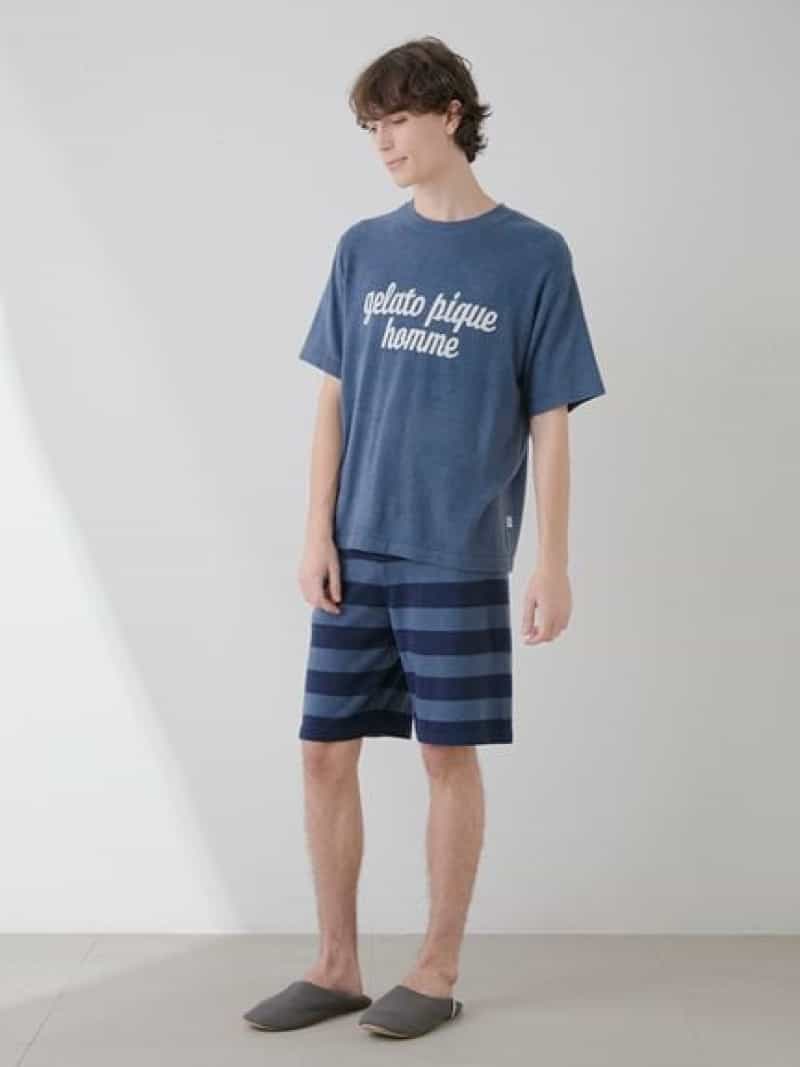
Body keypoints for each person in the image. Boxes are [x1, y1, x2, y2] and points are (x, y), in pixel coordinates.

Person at [243, 35, 606, 1040]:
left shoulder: (533, 254)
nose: (382, 142)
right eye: (372, 126)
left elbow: (550, 418)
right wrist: (314, 531)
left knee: (447, 754)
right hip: (355, 546)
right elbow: (331, 400)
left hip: (456, 548)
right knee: (323, 750)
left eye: (397, 119)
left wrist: (552, 560)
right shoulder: (362, 247)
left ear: (451, 114)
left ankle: (437, 968)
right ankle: (335, 964)